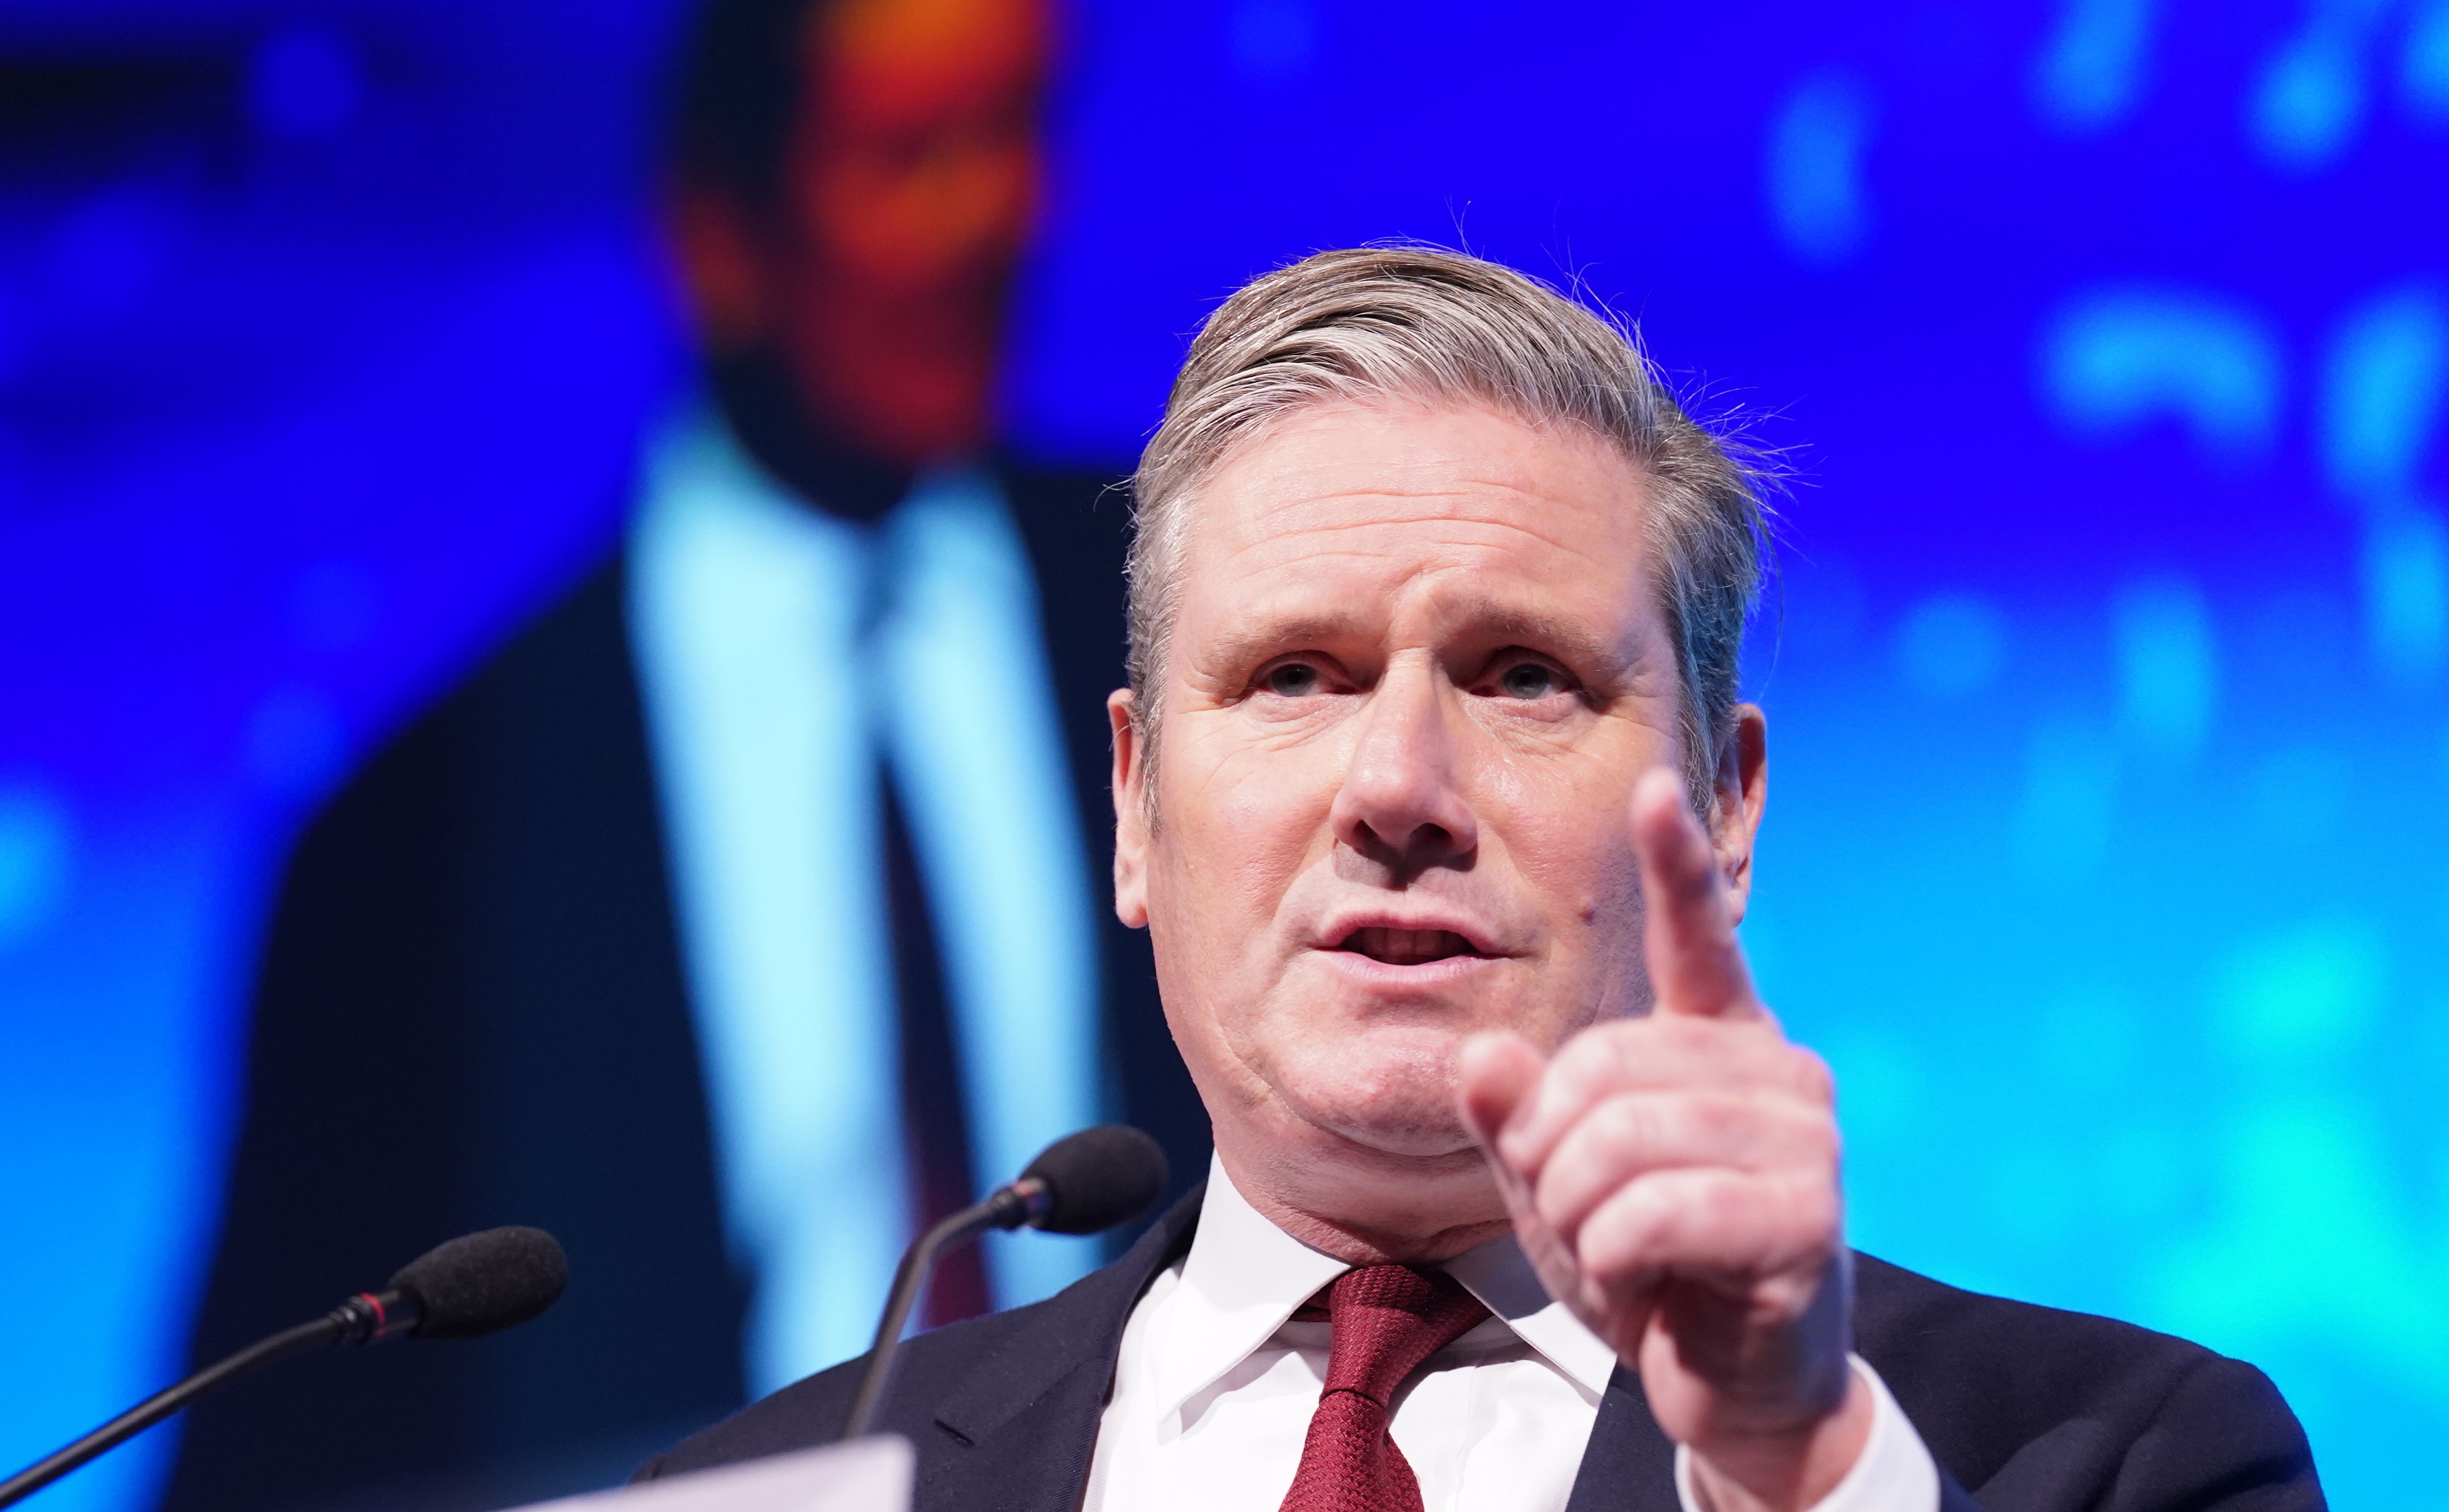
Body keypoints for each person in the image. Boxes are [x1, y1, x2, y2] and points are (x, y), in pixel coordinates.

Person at [643, 246, 2322, 1511]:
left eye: (1523, 676)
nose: (1397, 788)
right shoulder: (788, 1485)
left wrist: (1799, 1472)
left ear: (1725, 808)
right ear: (1137, 805)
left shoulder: (2128, 1458)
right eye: (1295, 676)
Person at [162, 0, 1206, 1512]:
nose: (994, 216)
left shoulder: (1193, 603)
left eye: (1016, 128)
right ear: (720, 226)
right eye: (909, 150)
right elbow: (270, 1468)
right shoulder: (415, 841)